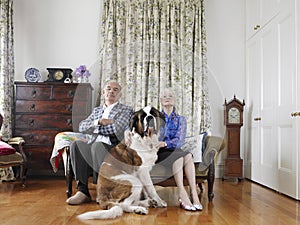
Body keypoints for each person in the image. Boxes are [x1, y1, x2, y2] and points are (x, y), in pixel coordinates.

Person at [66, 80, 133, 205]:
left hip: (113, 148)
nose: (111, 92)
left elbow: (116, 129)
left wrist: (94, 128)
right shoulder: (96, 111)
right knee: (76, 145)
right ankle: (83, 191)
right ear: (103, 93)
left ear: (120, 95)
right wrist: (99, 122)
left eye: (115, 90)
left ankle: (101, 189)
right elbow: (82, 127)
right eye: (108, 89)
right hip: (93, 145)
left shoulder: (126, 110)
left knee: (97, 146)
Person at [155, 88, 202, 211]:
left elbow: (179, 140)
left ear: (175, 100)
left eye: (170, 96)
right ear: (160, 100)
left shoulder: (181, 120)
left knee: (187, 156)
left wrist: (164, 143)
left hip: (173, 149)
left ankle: (194, 193)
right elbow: (154, 138)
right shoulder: (155, 118)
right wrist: (160, 144)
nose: (167, 98)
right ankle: (183, 193)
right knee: (180, 156)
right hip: (160, 153)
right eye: (164, 96)